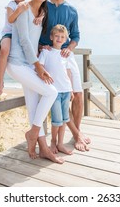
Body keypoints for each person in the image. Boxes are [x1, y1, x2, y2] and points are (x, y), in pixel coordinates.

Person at [6, 0, 64, 164]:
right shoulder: (23, 8)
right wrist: (39, 67)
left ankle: (41, 147)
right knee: (51, 92)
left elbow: (33, 38)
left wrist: (42, 49)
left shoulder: (42, 11)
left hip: (29, 64)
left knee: (33, 107)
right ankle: (33, 133)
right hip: (17, 63)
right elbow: (23, 40)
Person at [39, 0, 90, 151]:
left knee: (78, 94)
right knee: (58, 93)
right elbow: (35, 29)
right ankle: (76, 136)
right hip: (49, 56)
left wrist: (70, 48)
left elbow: (76, 36)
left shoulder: (72, 10)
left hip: (67, 55)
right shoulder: (43, 6)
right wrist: (39, 47)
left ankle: (77, 132)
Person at [39, 24, 73, 155]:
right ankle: (53, 141)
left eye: (62, 37)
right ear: (52, 37)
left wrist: (70, 90)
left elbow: (68, 73)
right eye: (57, 36)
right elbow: (40, 67)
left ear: (65, 40)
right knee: (56, 120)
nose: (59, 38)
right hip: (54, 91)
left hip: (65, 90)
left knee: (64, 120)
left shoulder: (65, 54)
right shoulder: (46, 52)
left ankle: (60, 143)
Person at [0, 0, 29, 95]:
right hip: (9, 33)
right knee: (4, 50)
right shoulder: (12, 4)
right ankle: (0, 82)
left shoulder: (29, 4)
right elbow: (10, 19)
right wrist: (19, 9)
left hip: (22, 35)